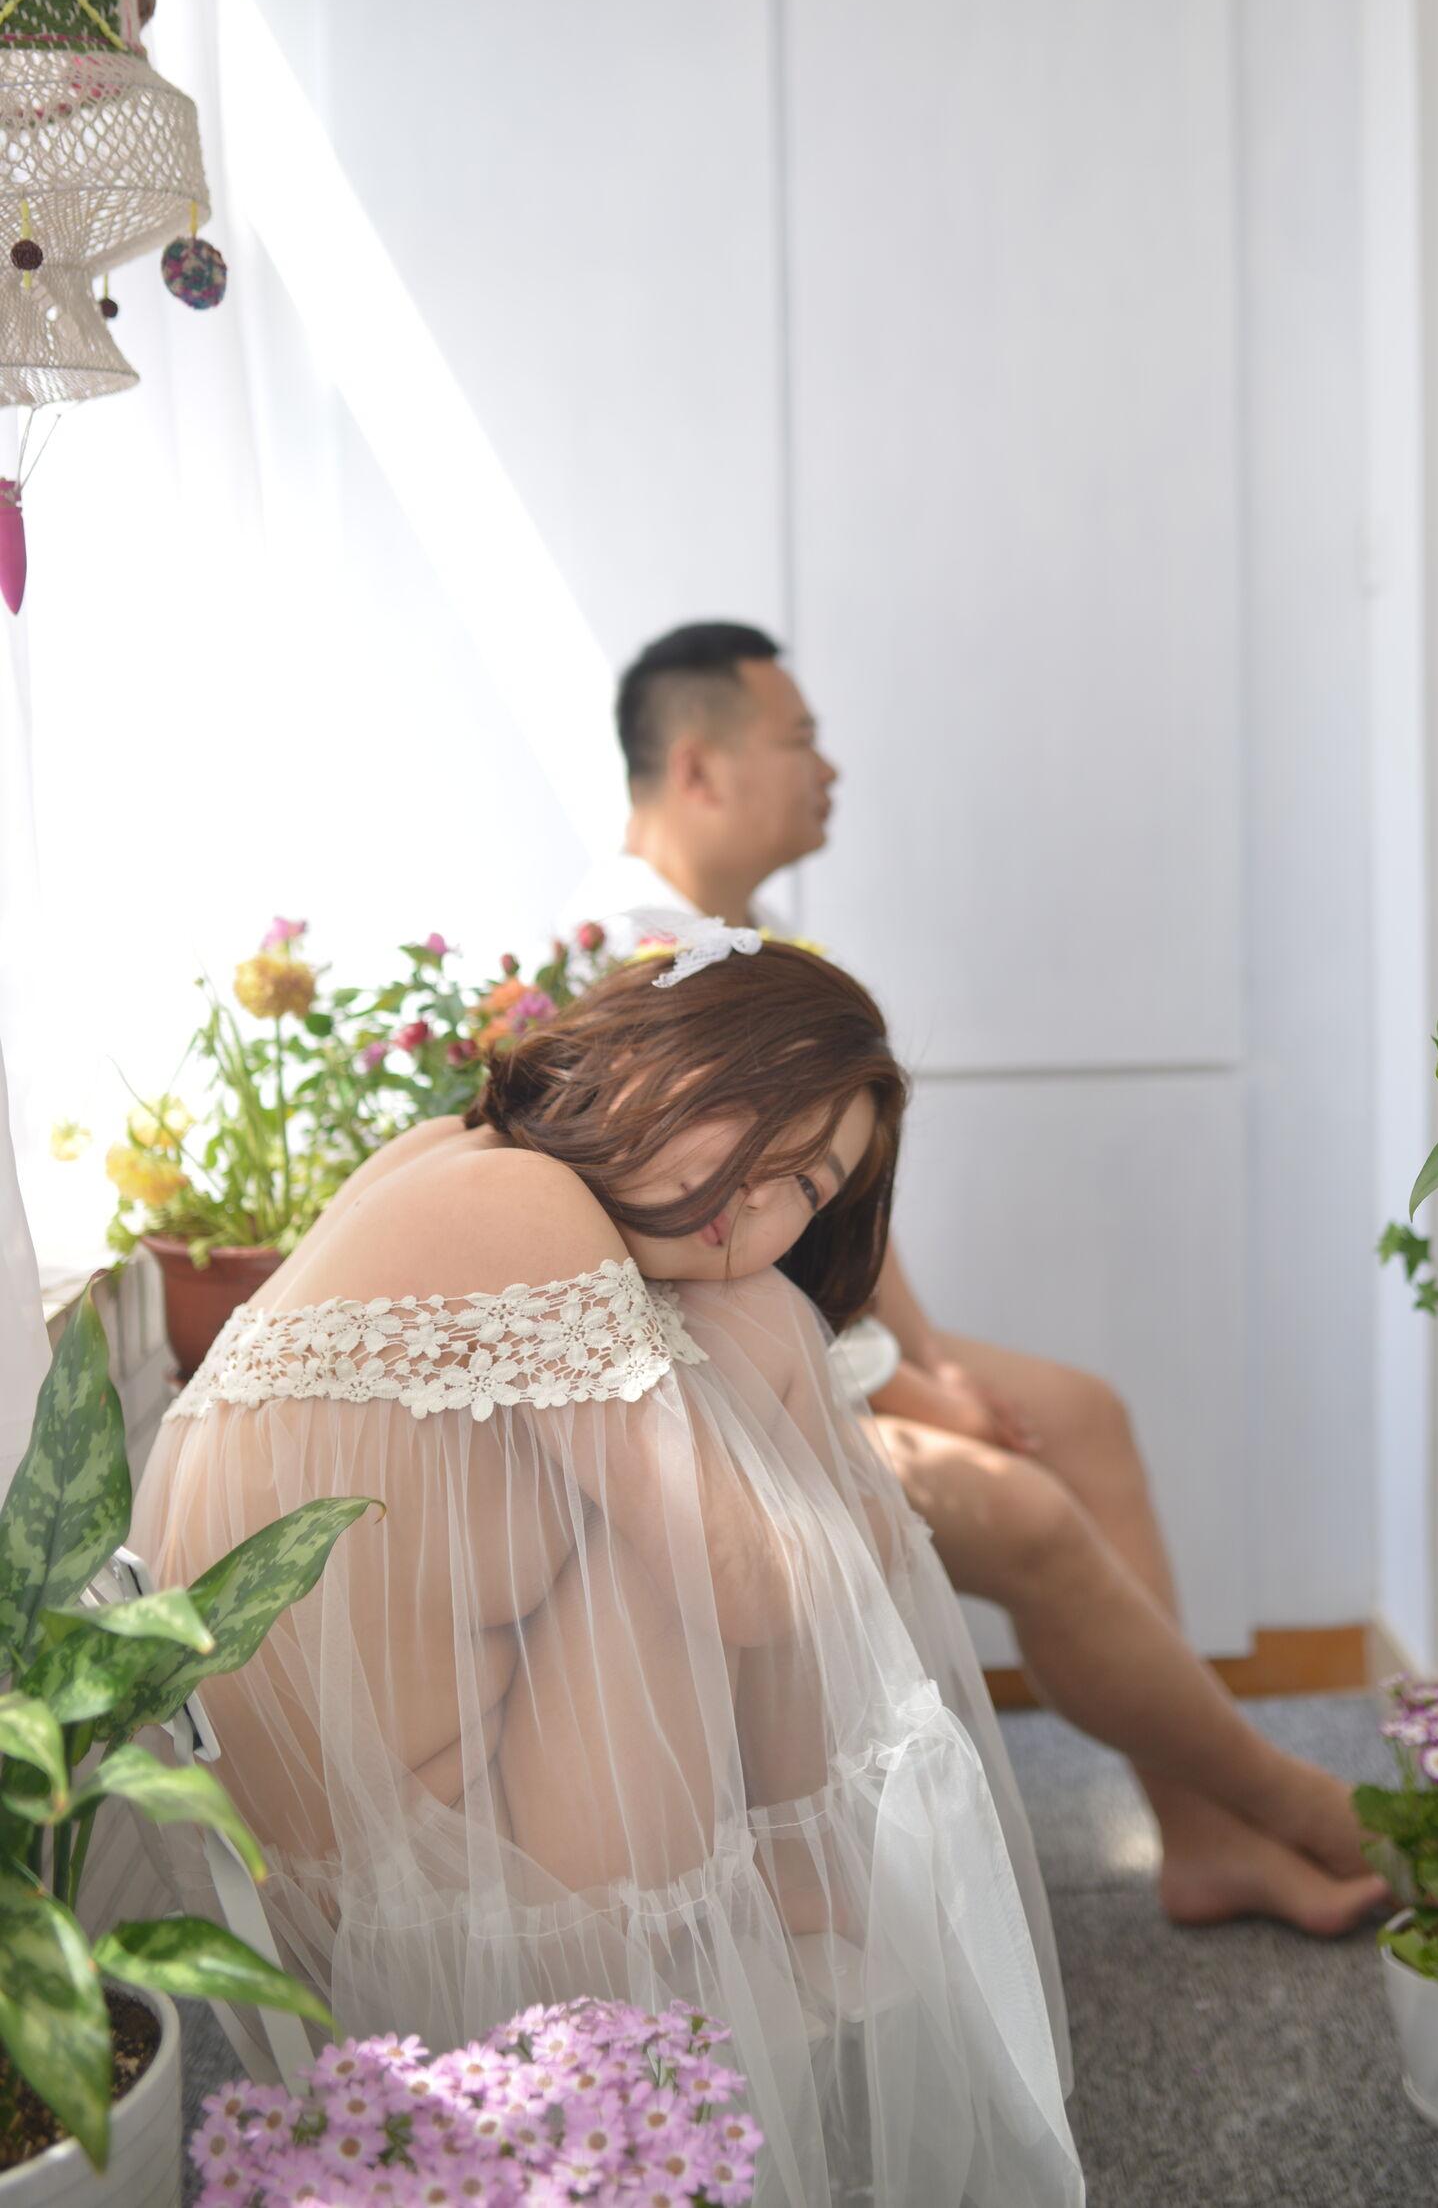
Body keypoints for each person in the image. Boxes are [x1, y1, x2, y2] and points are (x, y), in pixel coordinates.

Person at [133, 936, 1083, 2208]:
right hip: (437, 1891)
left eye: (808, 1185)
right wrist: (857, 1514)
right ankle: (810, 1869)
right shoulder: (522, 1208)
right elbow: (740, 1584)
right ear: (652, 1055)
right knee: (758, 1327)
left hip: (344, 1863)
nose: (755, 1196)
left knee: (745, 1328)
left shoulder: (445, 1154)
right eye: (754, 1120)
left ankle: (804, 1867)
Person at [570, 623, 1388, 1938]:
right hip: (713, 1382)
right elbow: (702, 1257)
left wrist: (932, 1357)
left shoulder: (743, 940)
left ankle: (1202, 1839)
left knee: (1084, 1415)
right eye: (801, 740)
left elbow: (831, 1202)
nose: (830, 768)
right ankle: (1285, 1797)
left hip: (809, 1337)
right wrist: (905, 1391)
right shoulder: (621, 961)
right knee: (1031, 1511)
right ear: (701, 769)